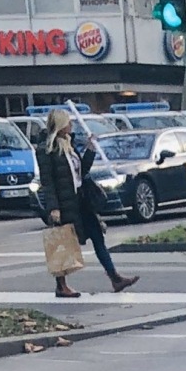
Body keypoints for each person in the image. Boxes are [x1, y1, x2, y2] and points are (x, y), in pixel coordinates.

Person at [37, 108, 140, 297]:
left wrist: (90, 150)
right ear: (60, 125)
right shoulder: (47, 149)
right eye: (68, 122)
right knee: (64, 242)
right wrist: (53, 208)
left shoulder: (69, 144)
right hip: (64, 203)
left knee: (97, 237)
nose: (71, 124)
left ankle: (115, 277)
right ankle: (61, 286)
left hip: (81, 201)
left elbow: (81, 171)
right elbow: (48, 182)